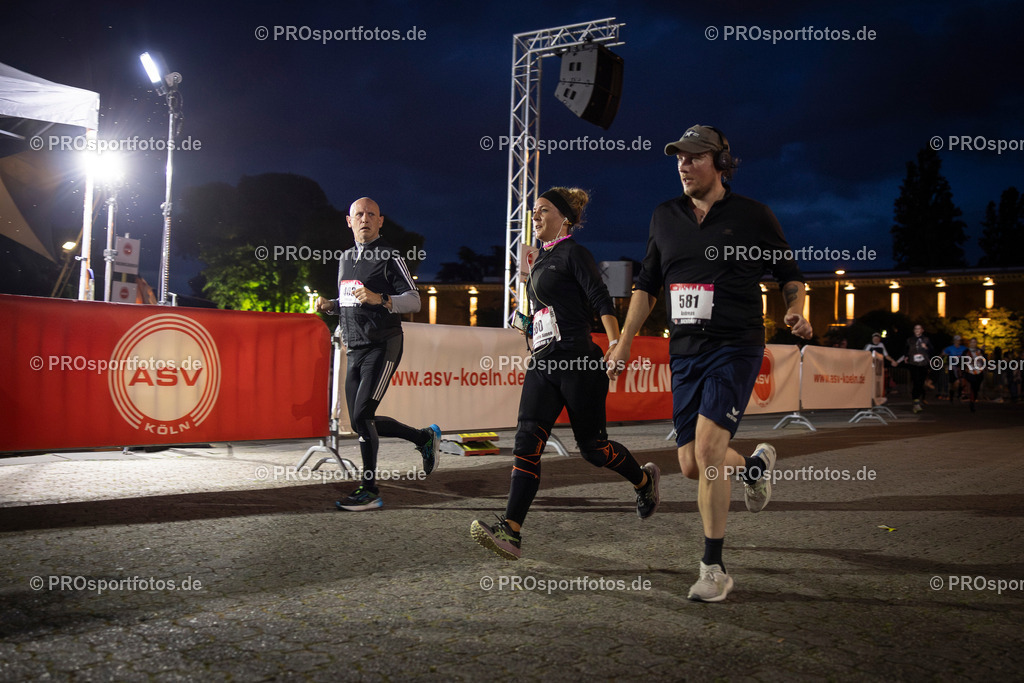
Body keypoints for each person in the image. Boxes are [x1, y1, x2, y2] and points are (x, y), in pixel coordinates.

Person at [606, 125, 813, 602]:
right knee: (692, 463)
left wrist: (797, 310)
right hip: (685, 353)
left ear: (720, 162)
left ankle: (713, 566)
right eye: (678, 157)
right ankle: (755, 468)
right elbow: (647, 284)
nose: (683, 164)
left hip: (735, 346)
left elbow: (790, 274)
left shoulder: (753, 215)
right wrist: (625, 342)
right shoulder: (664, 215)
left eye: (694, 157)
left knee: (706, 453)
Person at [470, 187, 661, 560]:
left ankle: (643, 480)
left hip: (578, 363)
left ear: (563, 217)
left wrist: (616, 344)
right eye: (532, 211)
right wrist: (528, 320)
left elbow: (599, 299)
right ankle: (511, 532)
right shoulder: (539, 260)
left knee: (594, 450)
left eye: (542, 210)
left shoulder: (575, 253)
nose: (535, 217)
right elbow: (549, 311)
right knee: (527, 441)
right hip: (544, 362)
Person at [316, 197, 441, 511]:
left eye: (372, 214)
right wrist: (331, 305)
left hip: (383, 344)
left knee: (361, 416)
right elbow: (351, 299)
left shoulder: (390, 255)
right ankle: (423, 438)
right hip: (354, 347)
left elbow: (413, 301)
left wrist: (381, 298)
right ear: (349, 220)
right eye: (359, 214)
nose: (365, 219)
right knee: (361, 422)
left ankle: (369, 491)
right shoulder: (345, 258)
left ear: (380, 221)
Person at [895, 324, 934, 413]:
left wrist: (926, 348)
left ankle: (917, 400)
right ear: (914, 330)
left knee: (920, 383)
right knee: (916, 382)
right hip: (913, 363)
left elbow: (932, 350)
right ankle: (916, 402)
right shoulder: (909, 340)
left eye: (919, 328)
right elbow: (905, 349)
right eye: (915, 328)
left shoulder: (926, 339)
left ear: (922, 330)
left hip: (923, 364)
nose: (917, 330)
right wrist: (906, 356)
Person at [864, 333, 895, 397]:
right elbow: (864, 355)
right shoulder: (869, 345)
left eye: (877, 339)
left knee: (880, 381)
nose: (876, 340)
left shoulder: (881, 345)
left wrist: (892, 360)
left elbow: (886, 355)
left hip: (879, 366)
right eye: (874, 338)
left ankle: (879, 394)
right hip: (871, 366)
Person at [962, 338, 985, 412]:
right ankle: (972, 402)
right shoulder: (966, 351)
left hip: (979, 372)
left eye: (974, 342)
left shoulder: (980, 351)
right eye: (972, 342)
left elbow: (984, 360)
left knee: (976, 388)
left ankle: (973, 399)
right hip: (970, 372)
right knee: (971, 388)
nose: (973, 344)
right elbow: (962, 361)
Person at [941, 335, 966, 401]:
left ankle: (959, 395)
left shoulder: (964, 348)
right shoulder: (949, 348)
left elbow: (970, 354)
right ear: (954, 341)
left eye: (959, 340)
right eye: (956, 340)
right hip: (952, 367)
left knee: (961, 381)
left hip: (961, 367)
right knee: (953, 383)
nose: (957, 342)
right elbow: (942, 355)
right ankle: (951, 394)